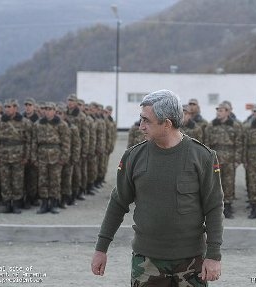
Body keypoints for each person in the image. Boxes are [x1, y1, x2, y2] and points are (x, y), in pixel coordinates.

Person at [91, 90, 223, 286]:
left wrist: (213, 255)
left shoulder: (202, 157)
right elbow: (118, 203)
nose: (141, 126)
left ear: (167, 124)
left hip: (191, 262)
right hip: (147, 262)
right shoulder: (133, 157)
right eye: (141, 119)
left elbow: (213, 207)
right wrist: (101, 249)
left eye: (147, 121)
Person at [204, 102, 243, 219]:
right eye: (218, 110)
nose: (218, 112)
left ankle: (228, 206)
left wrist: (237, 159)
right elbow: (206, 143)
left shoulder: (235, 126)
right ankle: (216, 208)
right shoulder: (211, 126)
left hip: (230, 160)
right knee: (215, 184)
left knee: (229, 183)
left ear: (228, 112)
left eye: (221, 110)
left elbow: (239, 143)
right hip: (215, 160)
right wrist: (208, 159)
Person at [0, 99, 31, 214]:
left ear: (15, 108)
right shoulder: (0, 122)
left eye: (9, 106)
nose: (7, 109)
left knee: (17, 181)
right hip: (4, 155)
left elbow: (29, 141)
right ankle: (7, 204)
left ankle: (16, 204)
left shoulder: (25, 122)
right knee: (5, 181)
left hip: (18, 156)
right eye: (6, 106)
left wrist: (26, 156)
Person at [31, 102, 70, 214]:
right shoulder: (38, 124)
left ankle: (53, 204)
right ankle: (44, 204)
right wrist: (34, 157)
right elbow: (34, 142)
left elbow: (66, 143)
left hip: (56, 156)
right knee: (42, 180)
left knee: (55, 181)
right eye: (46, 109)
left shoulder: (61, 125)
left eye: (50, 109)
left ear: (54, 110)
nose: (47, 111)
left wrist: (64, 157)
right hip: (42, 156)